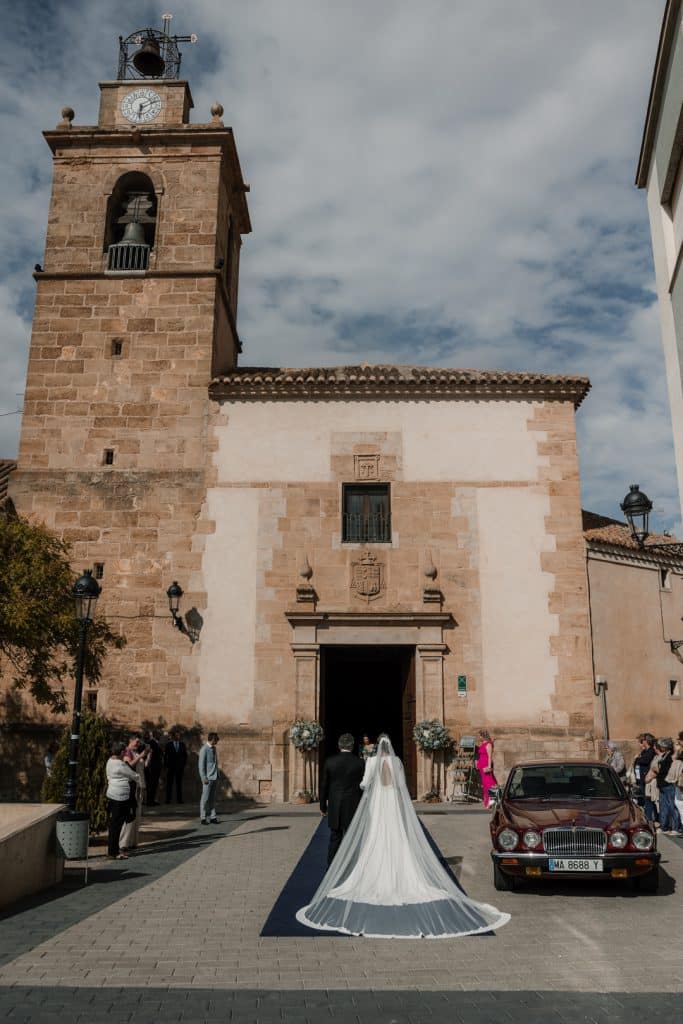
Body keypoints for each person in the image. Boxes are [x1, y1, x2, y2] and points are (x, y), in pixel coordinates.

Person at [297, 734, 510, 938]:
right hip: (393, 805)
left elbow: (364, 784)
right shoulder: (397, 761)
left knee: (375, 837)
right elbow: (401, 785)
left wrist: (363, 788)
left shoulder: (371, 762)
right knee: (396, 837)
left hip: (378, 805)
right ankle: (401, 870)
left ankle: (371, 869)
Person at [319, 733, 365, 865]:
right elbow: (363, 786)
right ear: (352, 746)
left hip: (335, 805)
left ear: (339, 746)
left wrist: (323, 806)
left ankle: (331, 867)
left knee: (335, 837)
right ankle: (352, 865)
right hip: (353, 805)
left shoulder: (330, 761)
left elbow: (324, 786)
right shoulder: (360, 762)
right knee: (353, 838)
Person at [106, 741, 139, 860]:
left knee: (113, 824)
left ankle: (113, 850)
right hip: (121, 797)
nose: (124, 754)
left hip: (111, 794)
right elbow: (134, 775)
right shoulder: (120, 764)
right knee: (117, 825)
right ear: (120, 752)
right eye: (124, 752)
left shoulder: (109, 761)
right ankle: (113, 852)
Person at [120, 738, 149, 853]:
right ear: (130, 741)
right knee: (130, 815)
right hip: (133, 787)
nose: (138, 743)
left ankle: (132, 842)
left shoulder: (136, 753)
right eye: (136, 741)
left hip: (140, 785)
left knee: (137, 816)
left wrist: (147, 755)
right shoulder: (127, 752)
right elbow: (128, 766)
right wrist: (140, 756)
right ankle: (124, 843)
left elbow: (143, 766)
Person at [651, 737, 682, 835]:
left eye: (660, 746)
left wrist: (677, 750)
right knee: (663, 807)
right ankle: (664, 827)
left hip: (668, 784)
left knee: (672, 806)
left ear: (664, 747)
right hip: (662, 785)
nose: (659, 747)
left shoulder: (671, 755)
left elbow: (673, 762)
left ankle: (676, 828)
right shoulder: (664, 755)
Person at [198, 732, 220, 824]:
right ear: (212, 739)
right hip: (207, 778)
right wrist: (203, 777)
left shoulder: (214, 748)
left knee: (212, 798)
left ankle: (213, 817)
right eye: (216, 740)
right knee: (205, 798)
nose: (217, 742)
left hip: (214, 777)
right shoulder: (204, 749)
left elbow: (215, 763)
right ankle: (203, 817)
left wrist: (218, 775)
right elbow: (201, 765)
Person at [475, 729, 498, 808]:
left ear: (482, 736)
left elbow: (489, 757)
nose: (479, 737)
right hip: (481, 766)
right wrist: (477, 763)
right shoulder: (483, 744)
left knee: (489, 782)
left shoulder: (488, 744)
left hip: (486, 766)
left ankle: (493, 799)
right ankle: (489, 800)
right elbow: (480, 755)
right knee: (485, 783)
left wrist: (489, 767)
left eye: (479, 735)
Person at [632, 733, 656, 808]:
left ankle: (650, 817)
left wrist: (637, 758)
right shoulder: (644, 751)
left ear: (645, 741)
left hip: (646, 778)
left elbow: (644, 760)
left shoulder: (651, 751)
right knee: (643, 798)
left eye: (640, 742)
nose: (640, 744)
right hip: (640, 778)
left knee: (648, 799)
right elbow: (637, 761)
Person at [165, 729, 188, 803]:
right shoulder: (168, 745)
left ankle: (179, 800)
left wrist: (183, 765)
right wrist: (166, 766)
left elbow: (185, 756)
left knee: (179, 784)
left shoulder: (182, 744)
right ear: (173, 736)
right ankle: (168, 800)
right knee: (169, 784)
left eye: (179, 735)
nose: (178, 736)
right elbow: (166, 756)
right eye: (177, 735)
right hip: (171, 768)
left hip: (179, 768)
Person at [143, 730, 162, 806]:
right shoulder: (151, 743)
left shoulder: (157, 743)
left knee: (155, 784)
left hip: (157, 767)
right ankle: (149, 801)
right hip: (152, 767)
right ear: (154, 735)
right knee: (150, 784)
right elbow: (148, 754)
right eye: (158, 734)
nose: (160, 736)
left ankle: (152, 800)